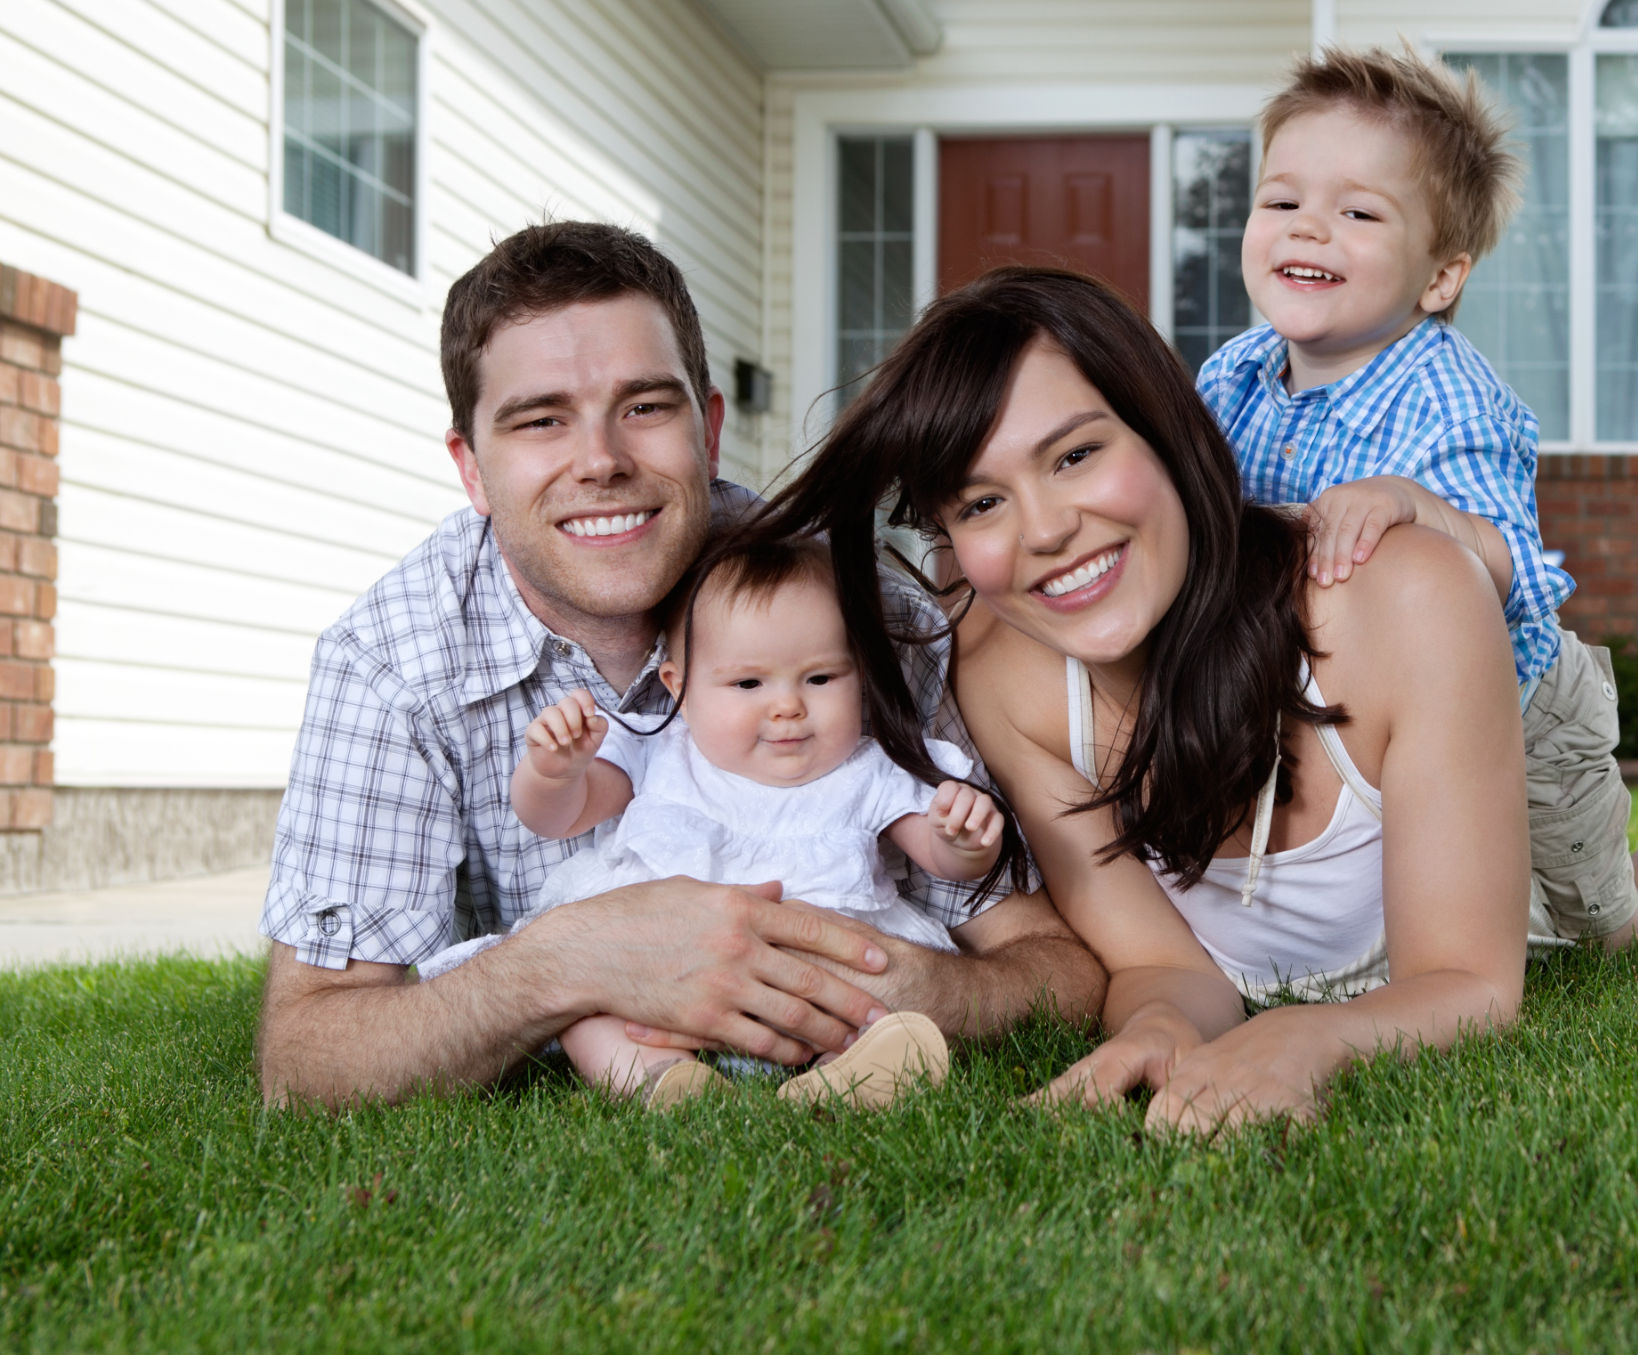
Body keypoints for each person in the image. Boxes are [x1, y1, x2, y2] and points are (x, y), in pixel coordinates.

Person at [762, 269, 1638, 1135]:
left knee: (1596, 922)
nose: (1044, 528)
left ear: (1170, 431)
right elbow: (1165, 964)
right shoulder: (1006, 676)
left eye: (1078, 453)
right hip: (1306, 944)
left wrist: (1313, 1038)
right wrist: (1153, 1027)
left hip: (1448, 889)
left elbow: (1468, 980)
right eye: (984, 501)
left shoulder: (1401, 599)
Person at [253, 222, 1104, 1109]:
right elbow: (307, 1058)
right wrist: (575, 962)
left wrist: (893, 982)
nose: (602, 462)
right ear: (471, 469)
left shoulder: (859, 621)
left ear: (709, 430)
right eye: (542, 420)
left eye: (646, 407)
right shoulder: (392, 665)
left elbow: (1055, 971)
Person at [1195, 45, 1638, 945]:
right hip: (1363, 717)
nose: (1307, 228)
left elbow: (1517, 569)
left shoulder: (1446, 398)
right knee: (1410, 913)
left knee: (1590, 924)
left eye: (1357, 211)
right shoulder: (1234, 374)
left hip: (1518, 714)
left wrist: (1414, 502)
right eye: (1281, 201)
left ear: (1441, 277)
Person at [464, 525, 1010, 1109]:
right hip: (659, 988)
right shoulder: (659, 751)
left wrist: (963, 835)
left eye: (821, 678)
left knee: (880, 1009)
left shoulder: (868, 770)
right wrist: (555, 772)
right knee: (589, 1014)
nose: (788, 706)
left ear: (860, 677)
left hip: (816, 995)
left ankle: (835, 1082)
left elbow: (942, 857)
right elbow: (560, 816)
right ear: (679, 686)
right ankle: (664, 1082)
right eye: (748, 682)